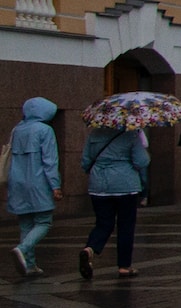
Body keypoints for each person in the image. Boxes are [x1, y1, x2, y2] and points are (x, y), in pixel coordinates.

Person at [79, 119, 151, 280]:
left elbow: (85, 161)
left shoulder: (95, 134)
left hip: (98, 185)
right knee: (126, 225)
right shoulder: (132, 134)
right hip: (125, 185)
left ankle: (90, 248)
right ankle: (124, 266)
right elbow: (142, 161)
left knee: (103, 223)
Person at [9, 97, 62, 278]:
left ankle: (30, 264)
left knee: (25, 223)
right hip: (38, 182)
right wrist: (55, 185)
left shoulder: (17, 129)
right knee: (43, 221)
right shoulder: (45, 130)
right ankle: (22, 249)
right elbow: (49, 161)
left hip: (17, 182)